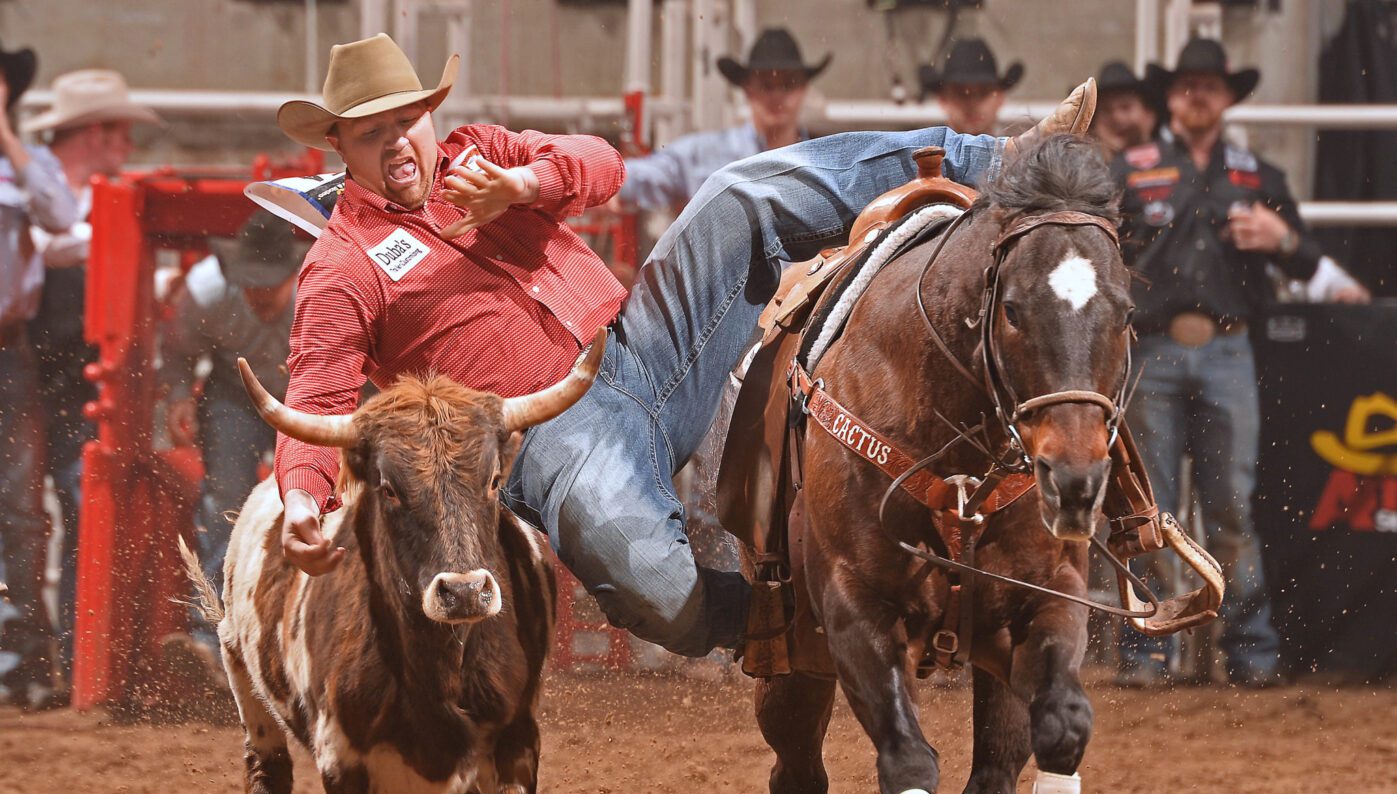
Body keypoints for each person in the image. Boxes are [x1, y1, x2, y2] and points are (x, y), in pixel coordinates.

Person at [268, 33, 1093, 661]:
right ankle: (779, 622)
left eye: (408, 122)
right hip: (549, 437)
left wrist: (526, 184)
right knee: (649, 583)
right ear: (337, 147)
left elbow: (603, 166)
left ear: (431, 117)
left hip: (643, 345)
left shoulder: (478, 154)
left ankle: (997, 160)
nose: (399, 144)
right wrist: (304, 499)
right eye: (373, 133)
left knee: (734, 192)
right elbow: (317, 394)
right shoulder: (341, 268)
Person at [1112, 38, 1319, 689]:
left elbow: (1303, 256)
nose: (1196, 95)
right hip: (1150, 349)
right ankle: (1146, 650)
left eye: (1208, 84)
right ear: (1169, 97)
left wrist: (1278, 236)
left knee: (1230, 507)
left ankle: (1249, 652)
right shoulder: (1129, 169)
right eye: (1185, 85)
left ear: (1227, 96)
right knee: (1151, 512)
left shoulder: (1257, 174)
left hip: (1229, 349)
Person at [23, 69, 160, 681]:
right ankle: (38, 660)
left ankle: (66, 660)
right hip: (32, 377)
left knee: (72, 510)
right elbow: (48, 242)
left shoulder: (77, 197)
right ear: (96, 132)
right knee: (29, 513)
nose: (129, 145)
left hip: (62, 384)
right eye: (121, 132)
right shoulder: (40, 192)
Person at [160, 210, 306, 659]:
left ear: (292, 275)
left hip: (309, 395)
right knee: (225, 504)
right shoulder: (206, 290)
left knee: (317, 502)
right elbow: (177, 349)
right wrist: (181, 396)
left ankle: (301, 636)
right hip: (234, 395)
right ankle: (213, 637)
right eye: (251, 281)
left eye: (269, 282)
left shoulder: (321, 288)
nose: (259, 292)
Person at [0, 39, 79, 710]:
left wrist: (7, 137)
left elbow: (60, 213)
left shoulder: (27, 168)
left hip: (9, 349)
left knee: (22, 508)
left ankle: (23, 656)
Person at [615, 28, 828, 212]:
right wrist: (604, 176)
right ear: (747, 89)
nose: (776, 96)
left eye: (787, 85)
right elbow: (644, 175)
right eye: (766, 85)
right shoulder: (705, 152)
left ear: (803, 90)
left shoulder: (822, 163)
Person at [919, 37, 1022, 137]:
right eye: (961, 93)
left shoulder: (1017, 153)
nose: (972, 103)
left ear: (1000, 98)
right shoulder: (919, 153)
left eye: (983, 93)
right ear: (943, 99)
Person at [1088, 61, 1157, 158]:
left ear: (1149, 115)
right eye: (1106, 110)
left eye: (1126, 107)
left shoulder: (1175, 168)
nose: (1117, 118)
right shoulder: (1081, 171)